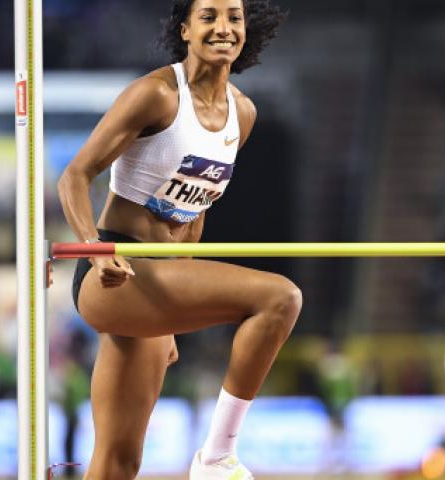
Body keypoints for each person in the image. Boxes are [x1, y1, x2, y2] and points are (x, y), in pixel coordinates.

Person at [57, 1, 295, 479]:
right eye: (209, 17)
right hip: (117, 274)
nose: (223, 28)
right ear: (185, 29)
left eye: (234, 17)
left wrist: (169, 318)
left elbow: (194, 213)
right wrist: (95, 250)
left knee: (119, 461)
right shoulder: (156, 95)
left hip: (159, 283)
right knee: (280, 299)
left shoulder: (243, 114)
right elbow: (75, 176)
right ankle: (218, 457)